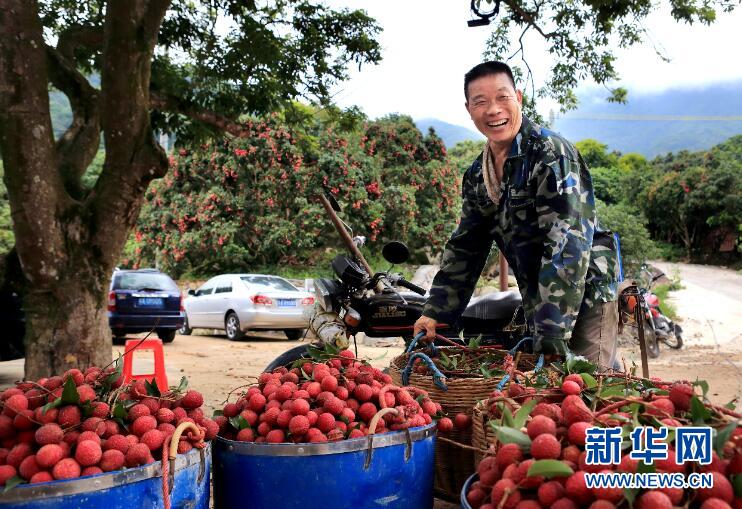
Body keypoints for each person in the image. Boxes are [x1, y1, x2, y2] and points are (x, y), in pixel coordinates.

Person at [413, 61, 620, 368]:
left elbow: (567, 246)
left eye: (502, 97)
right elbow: (466, 247)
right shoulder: (477, 176)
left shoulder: (551, 154)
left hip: (585, 287)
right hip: (539, 293)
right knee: (545, 393)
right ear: (468, 109)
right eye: (480, 102)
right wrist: (435, 312)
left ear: (518, 98)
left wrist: (552, 329)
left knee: (586, 387)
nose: (493, 110)